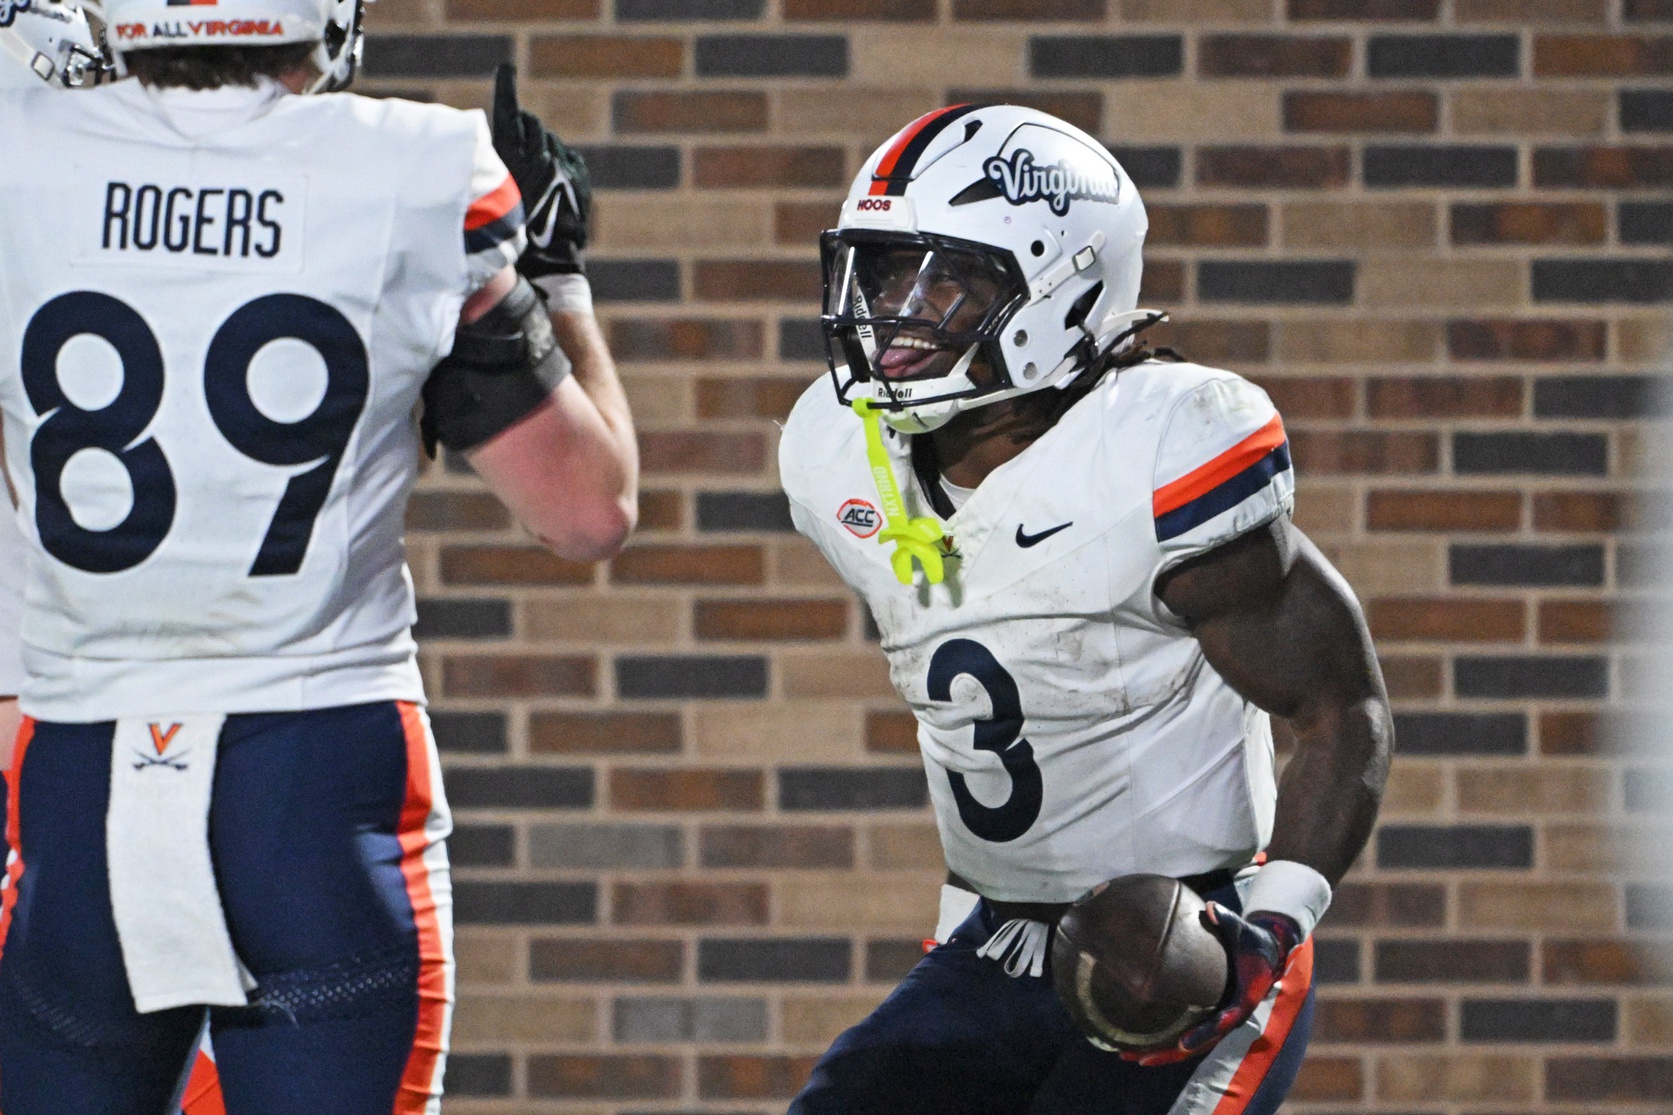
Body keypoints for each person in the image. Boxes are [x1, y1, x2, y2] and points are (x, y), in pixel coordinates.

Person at [0, 0, 638, 1110]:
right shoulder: (417, 168)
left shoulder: (20, 148)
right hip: (317, 775)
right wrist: (558, 283)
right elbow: (585, 512)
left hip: (75, 777)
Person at [778, 104, 1392, 1115]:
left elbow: (1339, 708)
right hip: (991, 936)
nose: (897, 309)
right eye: (887, 272)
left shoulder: (1156, 449)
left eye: (950, 278)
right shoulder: (832, 448)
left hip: (1180, 941)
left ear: (1057, 294)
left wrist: (1267, 926)